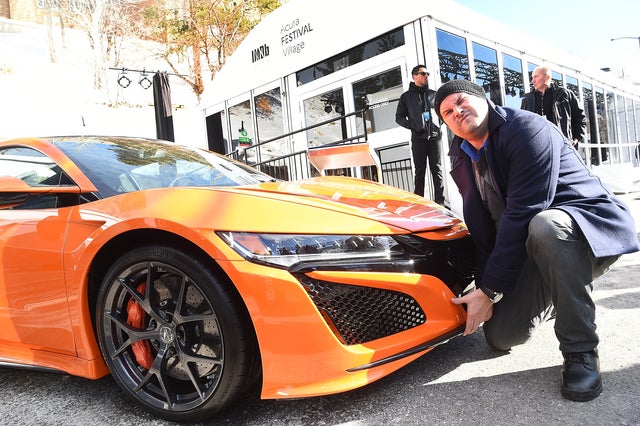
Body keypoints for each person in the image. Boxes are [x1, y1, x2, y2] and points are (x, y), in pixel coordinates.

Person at [433, 79, 639, 402]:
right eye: (447, 112)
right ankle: (565, 288)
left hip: (584, 231)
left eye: (461, 101)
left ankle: (581, 350)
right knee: (501, 336)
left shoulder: (527, 129)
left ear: (482, 98)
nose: (457, 111)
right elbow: (485, 230)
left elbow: (524, 214)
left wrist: (489, 291)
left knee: (546, 226)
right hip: (532, 247)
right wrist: (484, 289)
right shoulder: (461, 158)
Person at [395, 65, 445, 204]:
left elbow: (442, 112)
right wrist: (414, 126)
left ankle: (440, 202)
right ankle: (420, 203)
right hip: (418, 139)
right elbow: (399, 117)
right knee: (420, 171)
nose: (426, 76)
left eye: (427, 73)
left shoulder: (434, 94)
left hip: (435, 137)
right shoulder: (406, 97)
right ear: (414, 76)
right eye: (423, 73)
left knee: (437, 170)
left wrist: (438, 123)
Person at [521, 65, 586, 147]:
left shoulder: (564, 94)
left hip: (561, 145)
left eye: (536, 77)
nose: (533, 80)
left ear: (547, 77)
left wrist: (576, 139)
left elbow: (580, 117)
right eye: (532, 77)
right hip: (537, 146)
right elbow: (522, 122)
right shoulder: (527, 99)